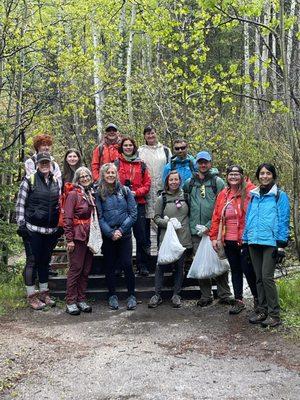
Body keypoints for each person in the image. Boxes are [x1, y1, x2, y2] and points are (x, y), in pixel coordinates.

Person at [243, 163, 290, 327]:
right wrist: (245, 240)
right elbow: (248, 218)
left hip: (270, 242)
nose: (264, 176)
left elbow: (284, 220)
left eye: (268, 173)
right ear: (258, 176)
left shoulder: (279, 196)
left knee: (267, 277)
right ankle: (262, 310)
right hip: (253, 241)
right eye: (261, 173)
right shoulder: (254, 195)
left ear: (273, 176)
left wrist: (281, 245)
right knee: (258, 278)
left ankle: (274, 314)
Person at [183, 150, 233, 306]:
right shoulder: (189, 182)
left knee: (220, 260)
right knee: (200, 261)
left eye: (206, 162)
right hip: (195, 230)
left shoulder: (217, 182)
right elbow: (183, 203)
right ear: (196, 164)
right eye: (200, 162)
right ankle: (205, 295)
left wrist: (209, 226)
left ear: (210, 163)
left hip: (215, 230)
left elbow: (223, 207)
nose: (203, 165)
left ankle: (224, 294)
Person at [210, 165, 258, 314]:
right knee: (235, 270)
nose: (234, 177)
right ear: (227, 177)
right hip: (228, 238)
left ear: (242, 176)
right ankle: (238, 300)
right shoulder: (223, 194)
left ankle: (258, 299)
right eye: (231, 174)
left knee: (248, 269)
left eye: (237, 174)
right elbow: (216, 217)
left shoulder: (251, 192)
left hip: (245, 239)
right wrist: (213, 237)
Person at [16, 152, 60, 310]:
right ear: (37, 164)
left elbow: (59, 203)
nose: (44, 165)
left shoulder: (56, 181)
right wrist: (21, 224)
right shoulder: (29, 180)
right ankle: (31, 296)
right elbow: (20, 203)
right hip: (32, 228)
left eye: (47, 162)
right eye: (42, 162)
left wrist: (59, 224)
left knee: (44, 262)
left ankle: (44, 293)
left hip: (50, 230)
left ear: (51, 164)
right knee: (32, 261)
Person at [95, 163, 137, 310]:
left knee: (127, 264)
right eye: (108, 173)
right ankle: (112, 295)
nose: (111, 175)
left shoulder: (125, 191)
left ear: (116, 174)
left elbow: (133, 214)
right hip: (109, 236)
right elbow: (99, 217)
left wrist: (121, 230)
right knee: (110, 266)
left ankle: (131, 295)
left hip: (124, 234)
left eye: (113, 172)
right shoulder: (98, 193)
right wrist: (111, 233)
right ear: (103, 175)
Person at [149, 170, 192, 308]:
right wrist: (167, 223)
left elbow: (191, 215)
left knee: (179, 266)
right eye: (171, 180)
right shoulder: (162, 198)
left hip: (182, 237)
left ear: (180, 180)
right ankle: (157, 295)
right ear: (167, 181)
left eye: (176, 179)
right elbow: (155, 218)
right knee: (161, 266)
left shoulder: (186, 196)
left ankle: (176, 295)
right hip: (166, 238)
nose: (174, 182)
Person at [115, 137, 151, 275]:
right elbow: (111, 181)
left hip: (138, 202)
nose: (128, 147)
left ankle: (142, 265)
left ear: (134, 147)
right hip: (121, 204)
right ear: (122, 147)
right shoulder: (117, 163)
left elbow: (147, 184)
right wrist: (124, 192)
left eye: (130, 145)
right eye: (126, 145)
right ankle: (121, 265)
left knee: (140, 235)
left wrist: (136, 193)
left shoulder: (141, 164)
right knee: (122, 234)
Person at [63, 167, 95, 315]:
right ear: (77, 179)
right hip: (77, 236)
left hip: (91, 235)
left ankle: (81, 299)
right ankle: (71, 301)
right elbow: (67, 218)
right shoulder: (73, 194)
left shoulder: (90, 193)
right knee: (76, 269)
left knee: (86, 269)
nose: (84, 178)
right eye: (81, 176)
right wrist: (69, 239)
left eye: (86, 175)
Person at [138, 125, 172, 250]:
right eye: (147, 134)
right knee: (145, 223)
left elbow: (170, 170)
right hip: (145, 191)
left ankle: (162, 250)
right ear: (144, 136)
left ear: (156, 133)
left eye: (152, 133)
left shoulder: (165, 150)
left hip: (161, 190)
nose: (150, 136)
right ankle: (146, 251)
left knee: (161, 220)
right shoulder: (140, 151)